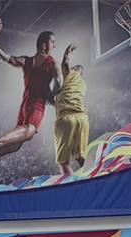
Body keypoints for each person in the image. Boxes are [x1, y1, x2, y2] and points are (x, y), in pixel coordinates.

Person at [0, 30, 61, 183]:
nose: (54, 45)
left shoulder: (26, 61)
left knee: (16, 145)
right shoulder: (52, 63)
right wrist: (52, 95)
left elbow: (4, 57)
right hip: (37, 103)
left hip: (24, 105)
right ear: (44, 45)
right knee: (30, 131)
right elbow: (59, 81)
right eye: (53, 42)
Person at [53, 44, 89, 175]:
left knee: (63, 161)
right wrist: (53, 101)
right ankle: (92, 178)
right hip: (82, 119)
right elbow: (68, 101)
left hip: (66, 120)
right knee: (81, 157)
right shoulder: (82, 85)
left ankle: (72, 184)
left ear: (75, 69)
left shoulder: (71, 75)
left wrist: (69, 50)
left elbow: (65, 62)